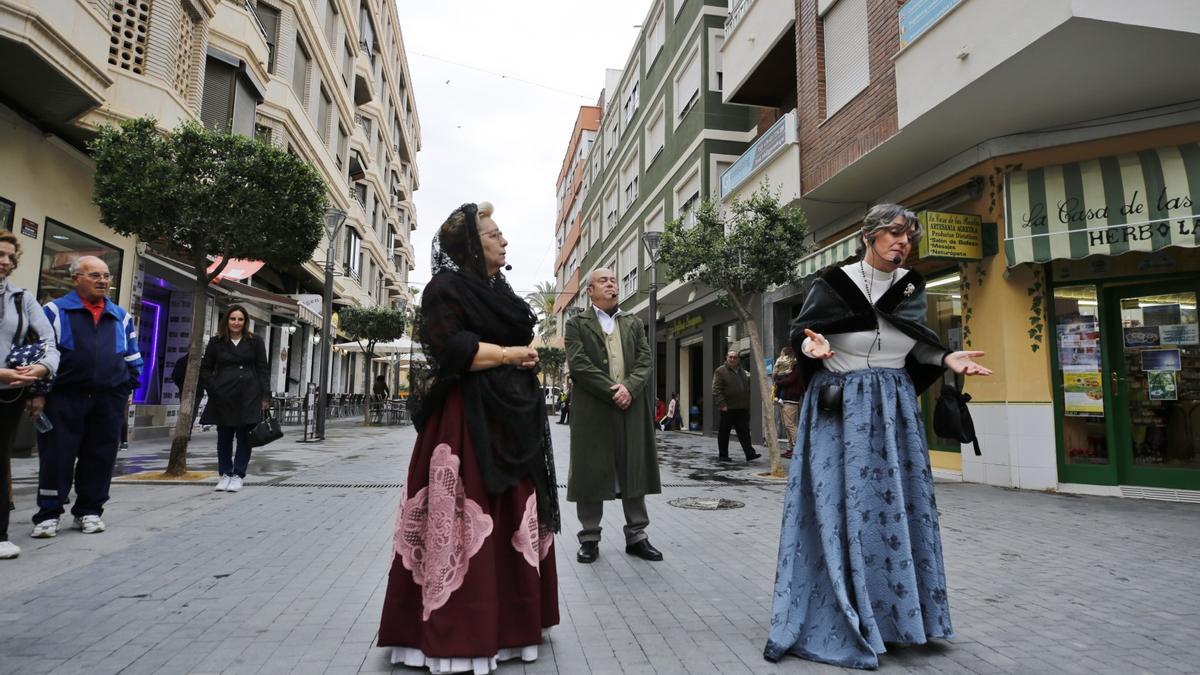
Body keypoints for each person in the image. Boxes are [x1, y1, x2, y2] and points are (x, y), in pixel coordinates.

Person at [764, 204, 992, 669]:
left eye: (909, 235)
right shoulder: (834, 283)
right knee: (839, 506)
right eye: (893, 232)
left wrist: (946, 359)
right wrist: (814, 348)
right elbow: (803, 335)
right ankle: (841, 608)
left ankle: (897, 618)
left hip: (893, 407)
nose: (902, 242)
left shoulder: (911, 285)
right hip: (839, 407)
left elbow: (915, 341)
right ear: (869, 235)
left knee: (894, 505)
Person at [378, 202, 559, 672]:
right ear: (471, 246)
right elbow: (450, 349)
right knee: (466, 514)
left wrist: (522, 357)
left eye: (501, 234)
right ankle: (457, 632)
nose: (504, 241)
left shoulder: (495, 287)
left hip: (510, 418)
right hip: (464, 421)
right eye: (495, 235)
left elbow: (513, 339)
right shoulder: (446, 287)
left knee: (513, 514)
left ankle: (512, 628)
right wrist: (506, 354)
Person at [31, 256, 142, 538]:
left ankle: (89, 511)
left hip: (108, 400)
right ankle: (48, 514)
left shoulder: (120, 316)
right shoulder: (54, 312)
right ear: (75, 278)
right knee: (57, 457)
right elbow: (39, 355)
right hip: (63, 397)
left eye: (106, 276)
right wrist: (39, 394)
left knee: (101, 456)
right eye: (95, 275)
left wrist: (125, 389)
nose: (103, 281)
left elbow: (132, 358)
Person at [564, 267, 663, 564]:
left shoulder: (632, 322)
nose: (611, 285)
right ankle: (590, 538)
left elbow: (646, 361)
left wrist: (629, 389)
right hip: (594, 410)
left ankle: (637, 536)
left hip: (630, 407)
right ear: (590, 291)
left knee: (633, 467)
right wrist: (613, 390)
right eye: (603, 281)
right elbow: (579, 364)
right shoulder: (576, 324)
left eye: (613, 280)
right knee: (591, 471)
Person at [0, 232, 60, 559]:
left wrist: (42, 370)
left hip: (8, 394)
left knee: (0, 463)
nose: (6, 261)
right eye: (0, 254)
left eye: (11, 257)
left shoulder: (22, 299)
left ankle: (0, 533)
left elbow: (49, 342)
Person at [200, 304, 269, 493]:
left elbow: (263, 369)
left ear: (245, 322)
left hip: (248, 395)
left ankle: (238, 474)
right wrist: (213, 386)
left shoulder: (255, 342)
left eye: (240, 319)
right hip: (222, 395)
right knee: (224, 437)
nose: (236, 323)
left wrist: (265, 395)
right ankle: (225, 474)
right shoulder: (216, 342)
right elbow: (205, 368)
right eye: (232, 319)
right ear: (227, 320)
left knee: (244, 437)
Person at [712, 350, 761, 462]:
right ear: (726, 358)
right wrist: (722, 404)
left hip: (742, 407)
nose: (732, 359)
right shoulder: (720, 371)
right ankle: (723, 455)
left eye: (735, 357)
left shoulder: (741, 371)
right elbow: (716, 389)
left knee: (744, 432)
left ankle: (750, 454)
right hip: (727, 407)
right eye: (730, 357)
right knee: (724, 433)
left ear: (738, 359)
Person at [773, 346, 802, 458]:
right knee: (787, 425)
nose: (781, 355)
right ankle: (790, 449)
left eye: (782, 353)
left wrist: (778, 381)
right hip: (785, 398)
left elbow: (790, 380)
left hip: (791, 398)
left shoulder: (796, 367)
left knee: (790, 424)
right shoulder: (786, 367)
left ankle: (798, 448)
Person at [170, 353, 206, 438]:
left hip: (187, 391)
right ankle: (187, 431)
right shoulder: (201, 362)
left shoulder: (182, 361)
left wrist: (181, 386)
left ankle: (185, 431)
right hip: (194, 391)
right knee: (192, 412)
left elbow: (174, 376)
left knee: (186, 411)